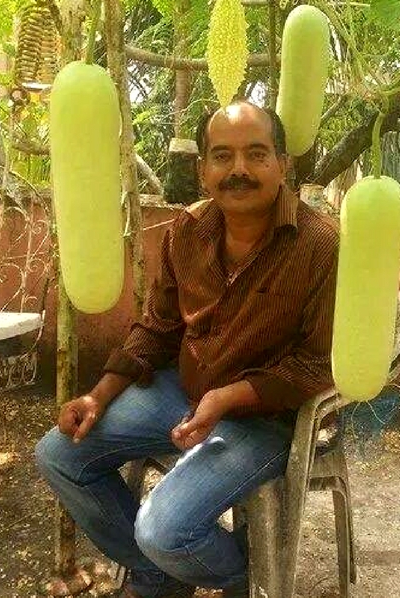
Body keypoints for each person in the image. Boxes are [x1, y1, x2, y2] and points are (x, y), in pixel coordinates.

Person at [36, 100, 339, 598]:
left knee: (164, 531)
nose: (238, 170)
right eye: (222, 156)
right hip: (186, 391)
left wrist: (228, 398)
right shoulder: (188, 229)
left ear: (283, 166)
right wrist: (98, 395)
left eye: (256, 154)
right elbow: (157, 328)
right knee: (59, 454)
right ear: (202, 170)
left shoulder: (322, 245)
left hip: (268, 418)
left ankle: (246, 577)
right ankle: (160, 575)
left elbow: (317, 367)